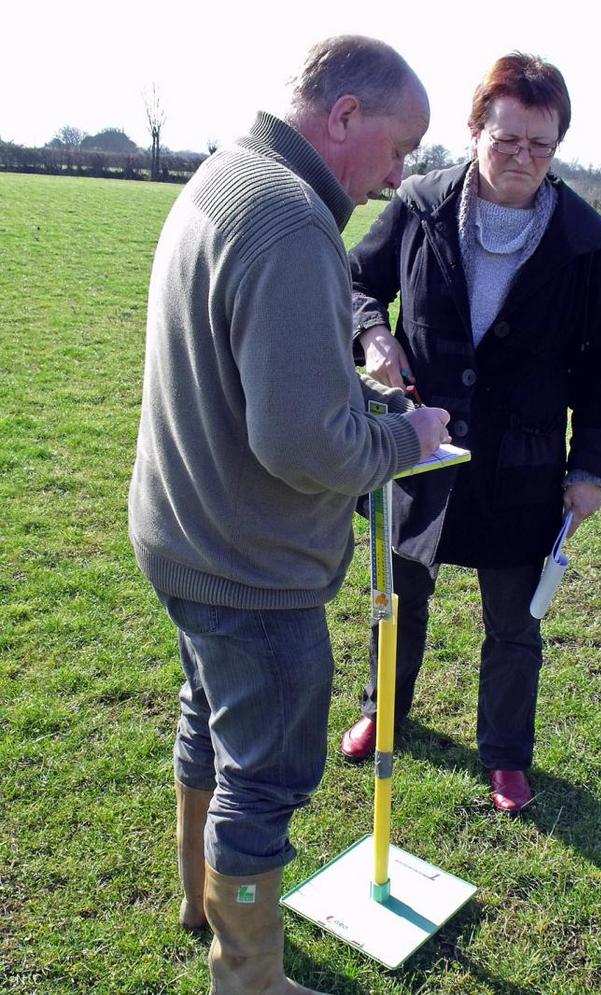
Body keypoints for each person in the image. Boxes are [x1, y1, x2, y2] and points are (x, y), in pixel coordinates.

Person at [128, 36, 450, 994]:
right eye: (399, 148)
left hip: (182, 532)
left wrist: (361, 402)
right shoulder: (291, 221)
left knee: (209, 719)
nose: (397, 177)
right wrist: (406, 438)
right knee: (264, 776)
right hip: (250, 563)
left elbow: (259, 370)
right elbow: (304, 445)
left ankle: (200, 903)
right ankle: (248, 979)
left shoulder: (228, 174)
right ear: (344, 115)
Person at [340, 52, 601, 815]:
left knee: (514, 623)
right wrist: (372, 333)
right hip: (420, 446)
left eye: (540, 145)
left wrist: (589, 469)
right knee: (397, 596)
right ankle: (382, 708)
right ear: (474, 132)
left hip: (521, 467)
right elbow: (356, 280)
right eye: (506, 140)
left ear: (557, 145)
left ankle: (504, 754)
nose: (522, 158)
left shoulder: (583, 244)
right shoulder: (420, 205)